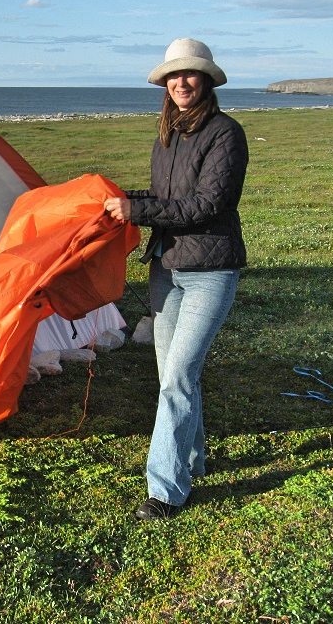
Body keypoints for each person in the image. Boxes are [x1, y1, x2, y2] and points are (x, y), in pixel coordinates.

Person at [103, 38, 248, 520]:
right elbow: (163, 195)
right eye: (173, 76)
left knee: (179, 378)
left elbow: (209, 204)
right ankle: (191, 461)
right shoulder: (167, 137)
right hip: (166, 269)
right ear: (165, 85)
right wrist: (115, 197)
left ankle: (166, 491)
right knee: (173, 375)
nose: (180, 82)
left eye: (189, 75)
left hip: (211, 272)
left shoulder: (226, 133)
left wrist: (137, 209)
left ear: (205, 80)